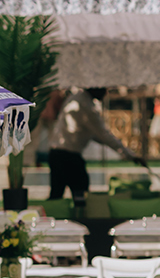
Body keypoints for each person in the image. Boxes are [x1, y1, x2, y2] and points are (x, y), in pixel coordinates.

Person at [46, 86, 148, 215]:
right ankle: (80, 219)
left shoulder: (76, 98)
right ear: (94, 89)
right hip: (67, 155)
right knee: (80, 194)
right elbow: (103, 135)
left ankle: (58, 217)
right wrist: (130, 155)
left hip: (57, 153)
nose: (106, 93)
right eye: (104, 89)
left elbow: (93, 134)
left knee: (58, 194)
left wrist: (127, 154)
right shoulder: (86, 106)